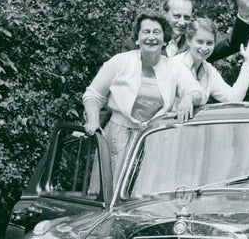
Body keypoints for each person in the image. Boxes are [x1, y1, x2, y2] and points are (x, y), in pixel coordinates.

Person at [82, 12, 206, 178]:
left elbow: (197, 90)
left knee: (144, 195)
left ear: (165, 38)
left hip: (153, 142)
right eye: (146, 32)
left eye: (157, 32)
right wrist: (93, 121)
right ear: (137, 38)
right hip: (117, 140)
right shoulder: (119, 61)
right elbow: (93, 95)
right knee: (109, 192)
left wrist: (188, 98)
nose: (151, 37)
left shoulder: (174, 68)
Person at [171, 17, 249, 123]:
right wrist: (189, 97)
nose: (204, 48)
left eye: (209, 43)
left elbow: (233, 99)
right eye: (199, 42)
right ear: (188, 40)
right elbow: (192, 88)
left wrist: (248, 63)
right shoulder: (176, 64)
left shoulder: (208, 70)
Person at [162, 0, 249, 62]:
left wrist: (244, 12)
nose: (182, 22)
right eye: (177, 16)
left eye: (187, 17)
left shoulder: (196, 43)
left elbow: (232, 44)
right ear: (165, 14)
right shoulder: (151, 38)